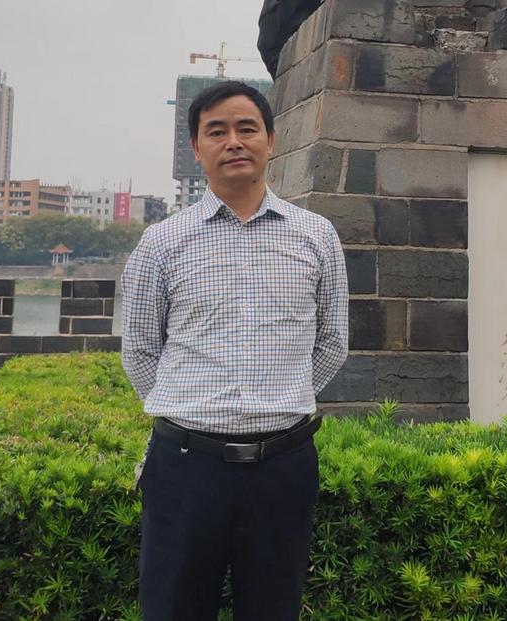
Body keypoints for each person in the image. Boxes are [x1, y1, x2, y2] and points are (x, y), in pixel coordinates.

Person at [121, 80, 349, 621]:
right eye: (216, 131)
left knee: (274, 608)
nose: (234, 142)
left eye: (247, 128)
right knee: (172, 608)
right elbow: (141, 350)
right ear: (196, 148)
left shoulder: (316, 235)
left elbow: (333, 341)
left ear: (271, 140)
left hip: (283, 466)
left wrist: (280, 397)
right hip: (185, 467)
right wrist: (192, 409)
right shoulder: (162, 242)